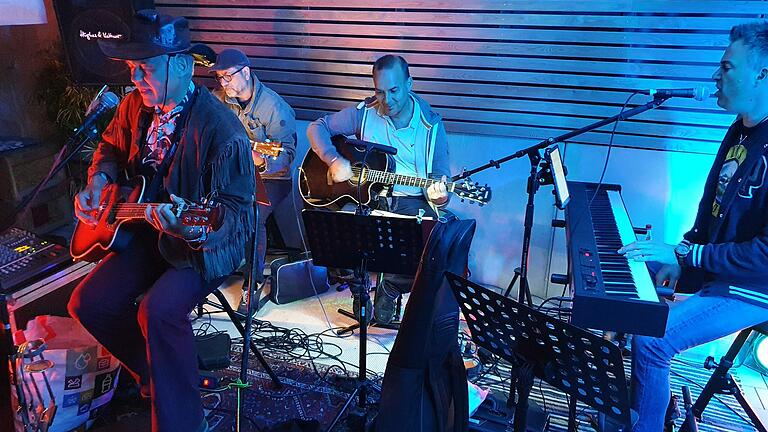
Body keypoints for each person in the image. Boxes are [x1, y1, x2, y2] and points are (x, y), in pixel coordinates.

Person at [67, 11, 255, 432]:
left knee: (158, 311)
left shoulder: (222, 130)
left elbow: (238, 217)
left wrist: (192, 230)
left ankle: (184, 421)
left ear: (182, 65)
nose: (135, 79)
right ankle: (156, 373)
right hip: (145, 232)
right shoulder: (135, 106)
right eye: (132, 68)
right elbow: (110, 149)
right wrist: (99, 181)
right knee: (87, 302)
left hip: (200, 248)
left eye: (145, 68)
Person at [619, 21, 768, 432]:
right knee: (624, 280)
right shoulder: (741, 127)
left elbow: (765, 255)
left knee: (652, 342)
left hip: (754, 286)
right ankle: (648, 405)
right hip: (720, 269)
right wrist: (683, 258)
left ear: (763, 73)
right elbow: (712, 209)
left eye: (726, 67)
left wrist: (687, 254)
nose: (715, 77)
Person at [306, 54, 450, 324]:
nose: (387, 100)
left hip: (410, 199)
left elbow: (442, 184)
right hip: (367, 197)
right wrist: (334, 159)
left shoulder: (431, 126)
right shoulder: (365, 113)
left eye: (394, 91)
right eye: (380, 92)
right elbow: (317, 127)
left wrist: (439, 195)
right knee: (332, 227)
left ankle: (390, 287)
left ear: (410, 84)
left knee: (436, 244)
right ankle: (359, 291)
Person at [210, 48, 297, 301]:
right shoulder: (218, 100)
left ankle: (252, 282)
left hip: (271, 179)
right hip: (232, 174)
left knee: (253, 213)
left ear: (245, 72)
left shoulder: (274, 107)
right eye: (220, 78)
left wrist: (258, 160)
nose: (223, 83)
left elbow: (285, 159)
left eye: (228, 76)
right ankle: (212, 269)